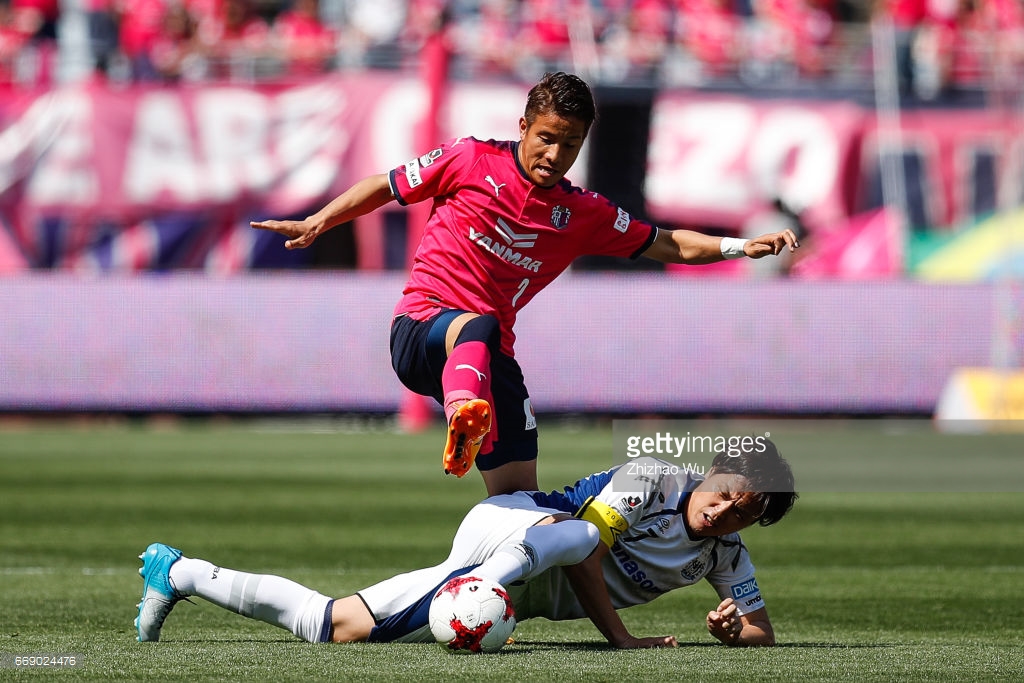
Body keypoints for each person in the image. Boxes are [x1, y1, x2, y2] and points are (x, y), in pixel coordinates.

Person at [250, 72, 800, 497]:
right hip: (421, 331)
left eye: (571, 145)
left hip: (491, 362)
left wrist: (737, 246)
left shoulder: (582, 212)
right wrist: (319, 220)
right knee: (478, 325)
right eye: (547, 139)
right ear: (523, 127)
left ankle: (480, 592)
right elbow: (385, 186)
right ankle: (461, 409)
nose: (555, 156)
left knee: (519, 500)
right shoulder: (469, 159)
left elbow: (666, 242)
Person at [135, 439, 797, 649]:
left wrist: (730, 627)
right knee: (583, 531)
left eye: (744, 513)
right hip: (515, 527)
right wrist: (620, 639)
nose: (725, 512)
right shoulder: (652, 477)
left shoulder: (724, 557)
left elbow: (761, 630)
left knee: (331, 625)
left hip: (521, 581)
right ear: (714, 469)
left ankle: (180, 571)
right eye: (728, 492)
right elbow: (586, 548)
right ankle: (481, 588)